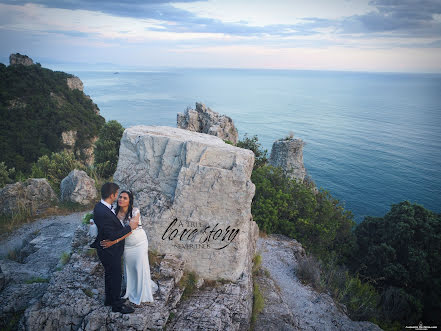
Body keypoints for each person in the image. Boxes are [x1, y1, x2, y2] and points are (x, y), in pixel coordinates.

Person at [100, 190, 158, 306]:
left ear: (129, 201)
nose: (121, 199)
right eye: (120, 197)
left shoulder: (135, 211)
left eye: (125, 198)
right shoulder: (114, 213)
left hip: (139, 243)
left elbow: (130, 229)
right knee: (129, 268)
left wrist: (113, 242)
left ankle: (142, 293)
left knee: (139, 266)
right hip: (126, 245)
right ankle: (130, 290)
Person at [90, 183, 139, 314]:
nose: (118, 196)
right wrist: (130, 228)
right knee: (116, 276)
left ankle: (109, 299)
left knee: (110, 274)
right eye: (117, 194)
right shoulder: (103, 211)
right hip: (109, 250)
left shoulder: (101, 207)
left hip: (107, 249)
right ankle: (117, 305)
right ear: (112, 195)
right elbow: (111, 235)